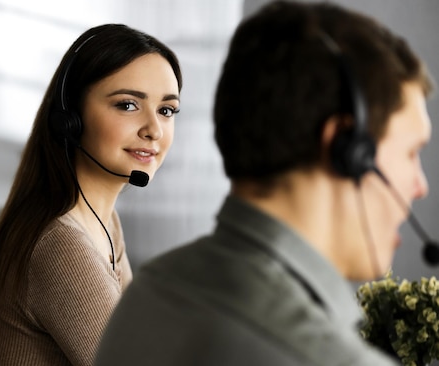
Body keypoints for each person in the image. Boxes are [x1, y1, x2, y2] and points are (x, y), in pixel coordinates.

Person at [95, 2, 433, 365]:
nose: (420, 186)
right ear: (346, 150)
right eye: (411, 152)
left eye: (167, 110)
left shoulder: (150, 291)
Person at [0, 23, 182, 366]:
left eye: (166, 110)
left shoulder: (103, 223)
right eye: (127, 105)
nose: (153, 129)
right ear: (70, 119)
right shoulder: (60, 245)